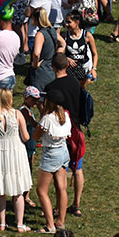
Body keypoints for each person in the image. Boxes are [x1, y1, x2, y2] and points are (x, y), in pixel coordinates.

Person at [45, 53, 86, 216]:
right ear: (67, 66)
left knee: (60, 172)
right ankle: (76, 204)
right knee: (78, 169)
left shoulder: (51, 87)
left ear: (52, 67)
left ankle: (58, 207)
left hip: (59, 134)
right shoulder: (75, 82)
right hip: (76, 130)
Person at [0, 88, 32, 232]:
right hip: (15, 151)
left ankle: (2, 223)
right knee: (18, 190)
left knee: (0, 190)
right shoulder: (17, 114)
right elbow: (26, 137)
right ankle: (19, 224)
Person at [33, 92, 72, 233]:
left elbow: (36, 136)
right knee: (61, 188)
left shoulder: (47, 119)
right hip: (63, 151)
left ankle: (50, 225)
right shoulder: (66, 116)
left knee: (41, 190)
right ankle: (60, 222)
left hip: (51, 154)